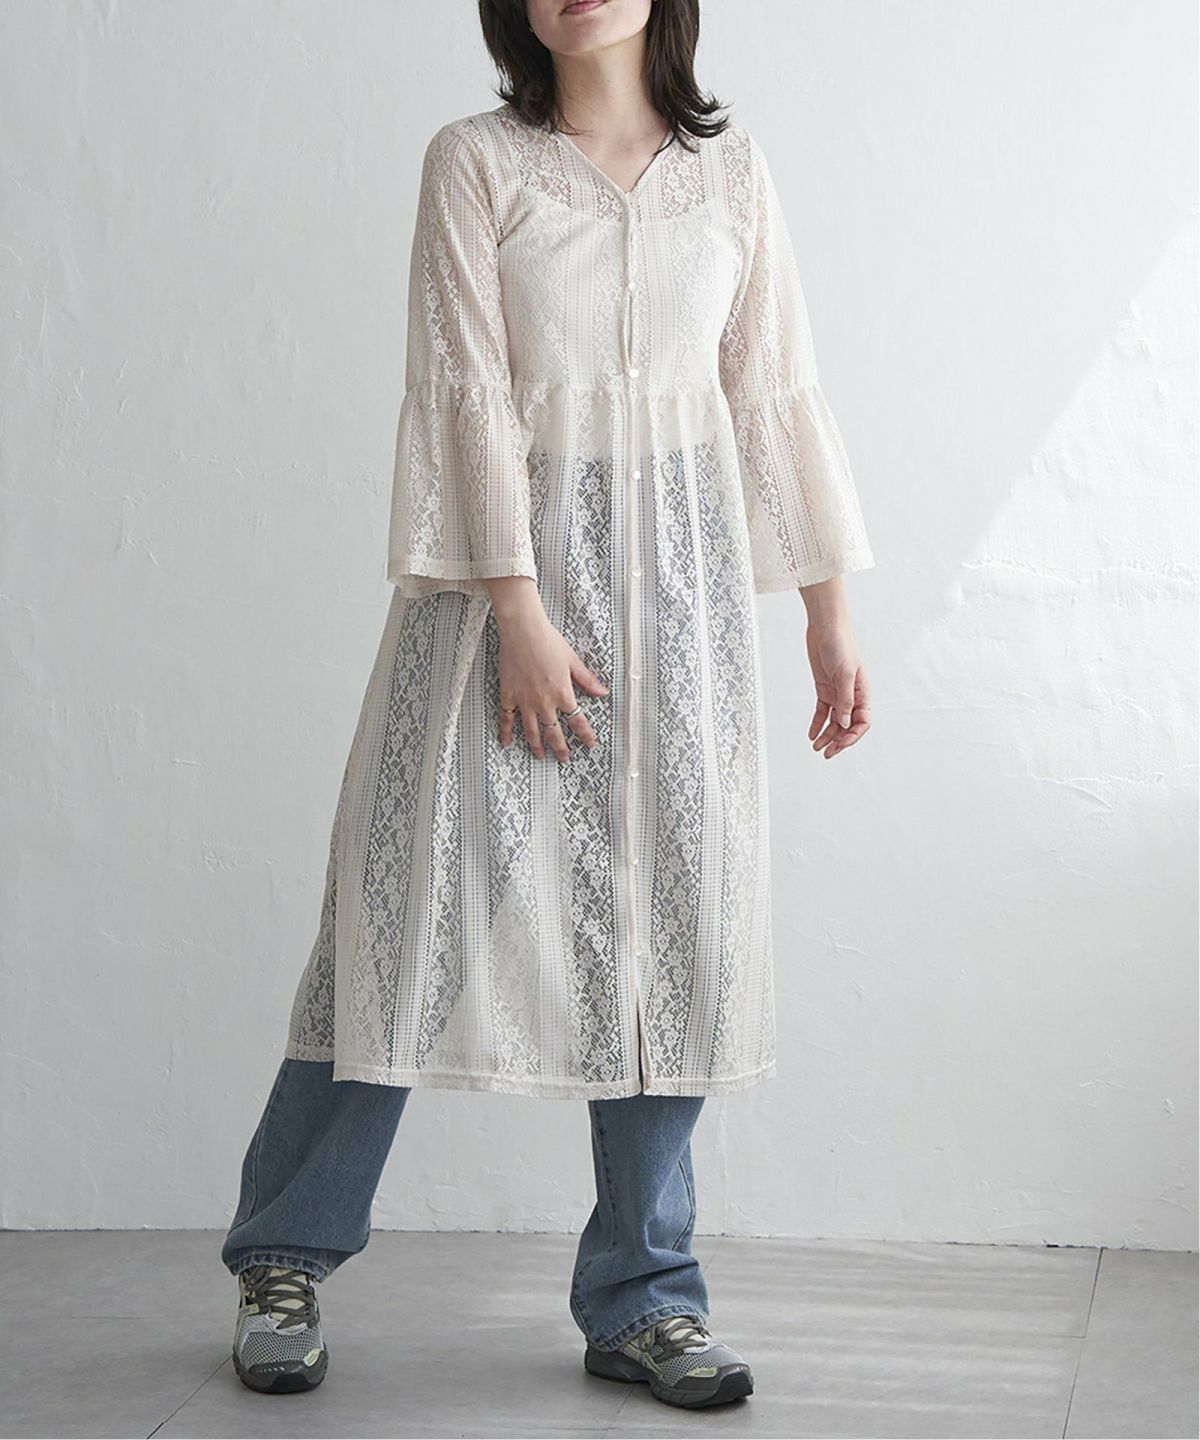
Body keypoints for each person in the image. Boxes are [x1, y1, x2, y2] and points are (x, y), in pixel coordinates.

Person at [220, 0, 874, 1412]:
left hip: (682, 598)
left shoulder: (732, 172)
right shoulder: (477, 160)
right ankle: (282, 1257)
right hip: (496, 596)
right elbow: (462, 385)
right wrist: (516, 608)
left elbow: (770, 387)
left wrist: (827, 613)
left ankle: (646, 1298)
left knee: (671, 925)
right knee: (403, 916)